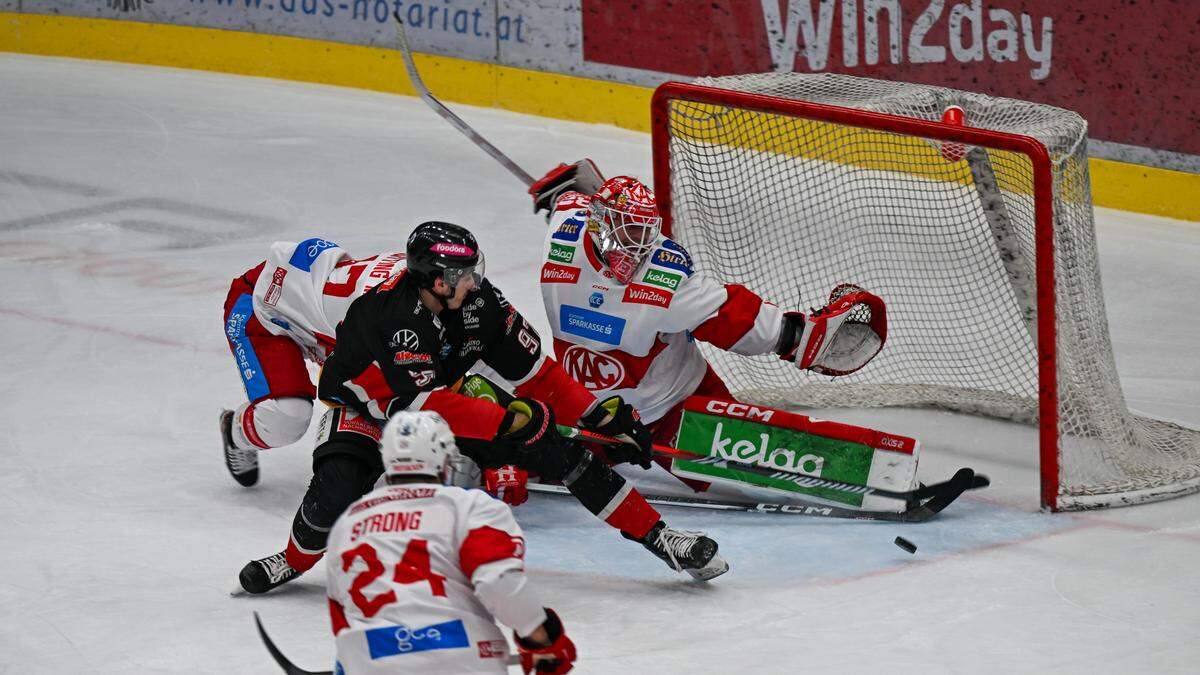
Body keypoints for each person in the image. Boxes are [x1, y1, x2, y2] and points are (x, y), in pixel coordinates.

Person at [236, 221, 728, 595]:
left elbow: (539, 374)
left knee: (558, 451)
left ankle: (664, 539)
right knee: (336, 489)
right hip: (374, 406)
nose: (474, 281)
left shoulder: (478, 303)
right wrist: (509, 420)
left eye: (473, 270)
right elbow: (421, 405)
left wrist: (600, 414)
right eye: (460, 274)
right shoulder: (391, 316)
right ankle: (294, 559)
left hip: (442, 396)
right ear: (433, 280)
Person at [527, 162, 887, 487]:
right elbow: (572, 199)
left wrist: (795, 336)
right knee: (524, 453)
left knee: (741, 473)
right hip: (585, 410)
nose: (639, 251)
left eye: (645, 235)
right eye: (629, 234)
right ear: (599, 224)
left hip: (673, 406)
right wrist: (573, 183)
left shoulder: (664, 279)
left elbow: (728, 313)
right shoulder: (563, 234)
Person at [326, 411, 576, 674]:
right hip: (458, 657)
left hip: (369, 659)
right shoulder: (469, 506)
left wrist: (354, 661)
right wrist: (542, 639)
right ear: (446, 458)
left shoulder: (350, 521)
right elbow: (497, 580)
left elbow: (342, 611)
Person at [219, 239, 409, 486]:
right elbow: (339, 386)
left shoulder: (426, 282)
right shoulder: (379, 322)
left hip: (310, 299)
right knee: (288, 418)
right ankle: (235, 432)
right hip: (262, 307)